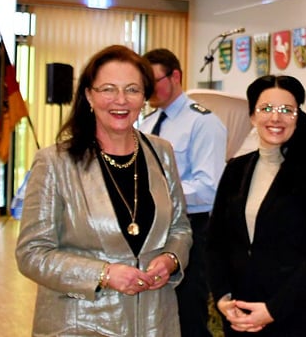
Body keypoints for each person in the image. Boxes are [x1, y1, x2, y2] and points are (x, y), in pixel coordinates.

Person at [16, 45, 192, 336]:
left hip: (154, 322)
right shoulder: (55, 162)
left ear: (144, 96)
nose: (121, 100)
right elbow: (32, 253)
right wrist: (104, 274)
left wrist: (171, 259)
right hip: (82, 323)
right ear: (89, 95)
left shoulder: (161, 152)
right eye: (108, 89)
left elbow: (180, 228)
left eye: (132, 89)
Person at [206, 75, 306, 336]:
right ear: (252, 116)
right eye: (266, 109)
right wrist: (222, 298)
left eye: (287, 110)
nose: (276, 118)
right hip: (239, 315)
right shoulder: (236, 169)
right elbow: (216, 241)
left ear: (298, 116)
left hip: (294, 317)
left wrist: (273, 309)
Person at [140, 48, 227, 337]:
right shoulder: (147, 123)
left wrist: (160, 196)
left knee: (188, 314)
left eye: (153, 80)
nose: (147, 89)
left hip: (192, 229)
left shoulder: (202, 122)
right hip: (152, 228)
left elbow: (208, 188)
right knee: (155, 313)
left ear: (175, 76)